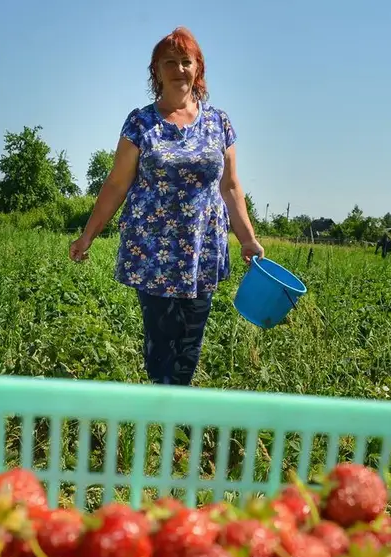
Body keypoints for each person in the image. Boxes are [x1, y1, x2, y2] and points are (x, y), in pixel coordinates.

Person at [69, 27, 263, 386]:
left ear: (198, 68)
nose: (178, 69)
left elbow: (230, 186)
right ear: (156, 71)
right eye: (169, 62)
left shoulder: (219, 122)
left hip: (201, 249)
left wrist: (248, 239)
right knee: (161, 338)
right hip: (153, 249)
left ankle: (177, 409)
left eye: (185, 62)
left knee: (190, 339)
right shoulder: (141, 122)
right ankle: (158, 409)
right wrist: (88, 235)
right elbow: (117, 183)